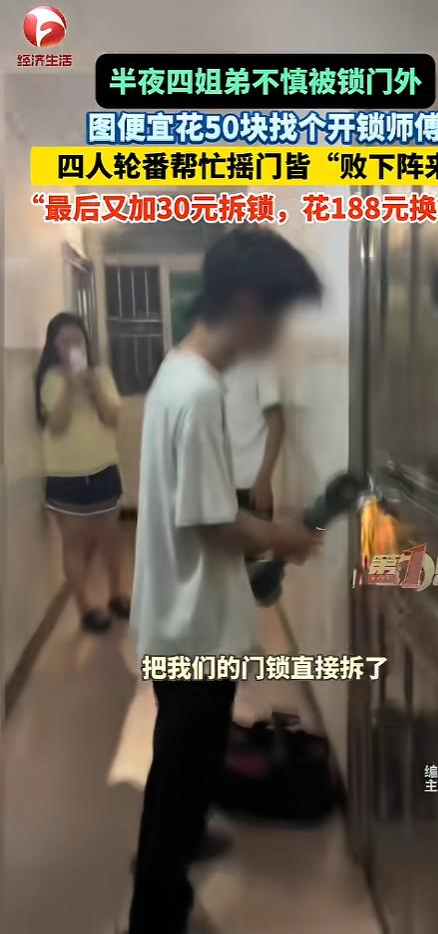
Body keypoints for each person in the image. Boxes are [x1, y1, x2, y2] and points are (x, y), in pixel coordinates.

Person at [128, 228, 322, 934]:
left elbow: (200, 515)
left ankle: (169, 863)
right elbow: (212, 523)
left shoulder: (175, 373)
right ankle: (156, 912)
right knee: (182, 780)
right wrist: (283, 538)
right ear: (245, 302)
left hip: (179, 616)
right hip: (194, 631)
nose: (276, 336)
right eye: (277, 315)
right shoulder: (198, 391)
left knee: (181, 769)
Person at [35, 312, 129, 633]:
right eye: (65, 340)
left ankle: (116, 594)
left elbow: (112, 418)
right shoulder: (51, 380)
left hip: (103, 468)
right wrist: (72, 387)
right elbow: (57, 425)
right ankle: (85, 606)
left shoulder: (102, 375)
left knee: (111, 538)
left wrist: (94, 388)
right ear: (54, 346)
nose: (73, 345)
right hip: (65, 475)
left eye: (78, 338)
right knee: (73, 543)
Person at [224, 357, 284, 520]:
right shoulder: (209, 368)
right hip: (218, 486)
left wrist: (264, 480)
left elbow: (276, 422)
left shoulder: (261, 364)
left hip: (251, 486)